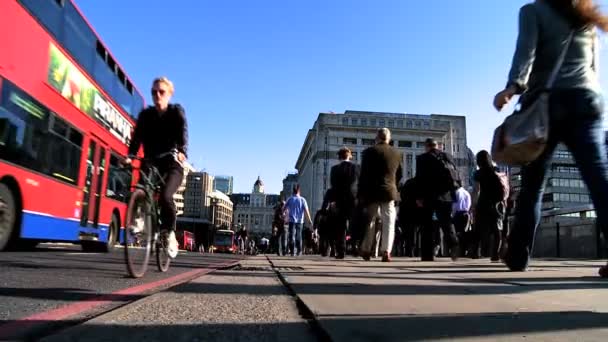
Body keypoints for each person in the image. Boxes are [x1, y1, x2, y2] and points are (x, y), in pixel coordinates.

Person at [494, 0, 608, 276]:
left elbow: (526, 52)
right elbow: (592, 66)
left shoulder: (533, 11)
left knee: (533, 186)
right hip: (589, 100)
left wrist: (512, 87)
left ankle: (518, 255)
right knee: (598, 180)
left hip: (549, 103)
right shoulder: (586, 16)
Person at [125, 77, 188, 259]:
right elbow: (136, 139)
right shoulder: (146, 115)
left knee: (166, 196)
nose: (157, 95)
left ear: (169, 94)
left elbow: (183, 132)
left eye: (161, 92)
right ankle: (138, 221)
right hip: (151, 161)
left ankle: (169, 233)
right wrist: (130, 156)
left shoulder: (176, 112)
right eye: (153, 92)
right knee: (140, 188)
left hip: (172, 162)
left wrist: (182, 150)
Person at [358, 128, 403, 262]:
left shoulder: (368, 152)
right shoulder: (396, 153)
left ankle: (366, 249)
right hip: (389, 191)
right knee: (389, 222)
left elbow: (363, 175)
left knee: (370, 221)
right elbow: (399, 174)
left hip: (371, 192)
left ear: (377, 138)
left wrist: (361, 193)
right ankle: (386, 252)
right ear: (389, 138)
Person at [414, 138, 460, 261]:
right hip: (446, 196)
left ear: (426, 146)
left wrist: (419, 197)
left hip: (429, 196)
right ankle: (454, 243)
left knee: (427, 225)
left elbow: (419, 179)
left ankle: (427, 255)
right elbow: (455, 176)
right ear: (438, 146)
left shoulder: (422, 158)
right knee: (447, 223)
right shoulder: (447, 156)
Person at [323, 147, 359, 259]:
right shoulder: (356, 168)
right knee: (354, 224)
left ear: (339, 156)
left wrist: (333, 201)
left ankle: (341, 251)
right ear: (349, 156)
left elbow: (333, 186)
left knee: (341, 226)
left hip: (339, 200)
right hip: (353, 199)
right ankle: (354, 247)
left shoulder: (334, 169)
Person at [283, 184, 313, 256]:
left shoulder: (290, 199)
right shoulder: (303, 200)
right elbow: (306, 211)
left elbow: (284, 208)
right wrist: (309, 220)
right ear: (299, 191)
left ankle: (292, 251)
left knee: (291, 236)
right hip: (300, 221)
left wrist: (284, 216)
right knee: (299, 236)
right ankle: (299, 251)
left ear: (293, 191)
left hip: (291, 220)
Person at [452, 181, 471, 257]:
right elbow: (469, 204)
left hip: (458, 214)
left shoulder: (457, 192)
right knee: (465, 232)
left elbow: (454, 205)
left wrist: (453, 214)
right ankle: (464, 250)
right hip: (466, 214)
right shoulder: (466, 192)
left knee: (458, 232)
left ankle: (460, 250)